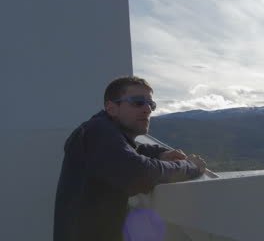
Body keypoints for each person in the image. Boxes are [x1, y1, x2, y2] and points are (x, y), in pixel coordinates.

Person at [53, 75, 206, 241]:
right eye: (138, 102)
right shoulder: (97, 130)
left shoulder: (101, 131)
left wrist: (160, 154)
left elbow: (131, 148)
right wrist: (190, 166)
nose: (147, 109)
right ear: (111, 108)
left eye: (151, 104)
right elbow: (139, 173)